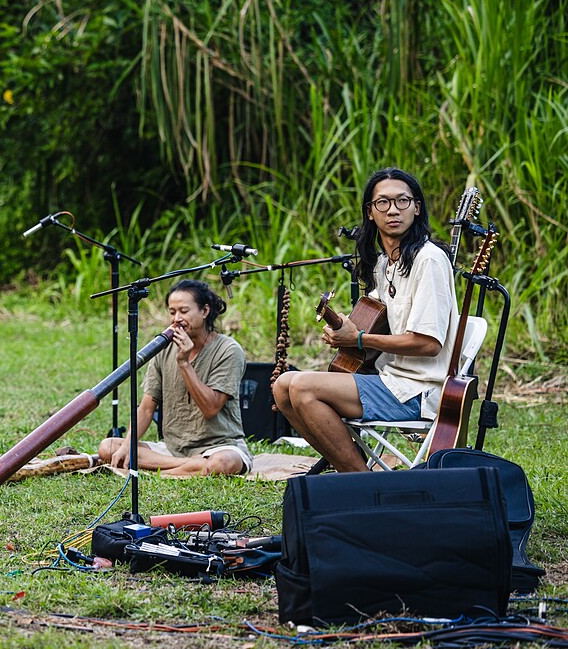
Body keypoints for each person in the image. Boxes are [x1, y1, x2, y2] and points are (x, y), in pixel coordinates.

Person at [272, 167, 458, 473]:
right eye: (382, 203)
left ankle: (361, 482)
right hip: (388, 380)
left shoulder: (429, 259)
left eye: (402, 201)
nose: (393, 210)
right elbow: (378, 324)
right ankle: (356, 474)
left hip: (419, 391)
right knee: (282, 386)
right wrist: (345, 329)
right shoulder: (384, 264)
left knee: (303, 387)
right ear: (370, 212)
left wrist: (358, 339)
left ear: (416, 207)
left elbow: (428, 344)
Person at [98, 279, 252, 477]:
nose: (177, 318)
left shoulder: (229, 350)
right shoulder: (163, 348)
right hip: (171, 449)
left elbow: (211, 408)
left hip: (219, 446)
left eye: (184, 311)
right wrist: (127, 446)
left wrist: (184, 363)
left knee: (222, 463)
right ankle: (188, 466)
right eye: (172, 312)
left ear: (205, 311)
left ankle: (169, 468)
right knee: (108, 447)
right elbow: (146, 408)